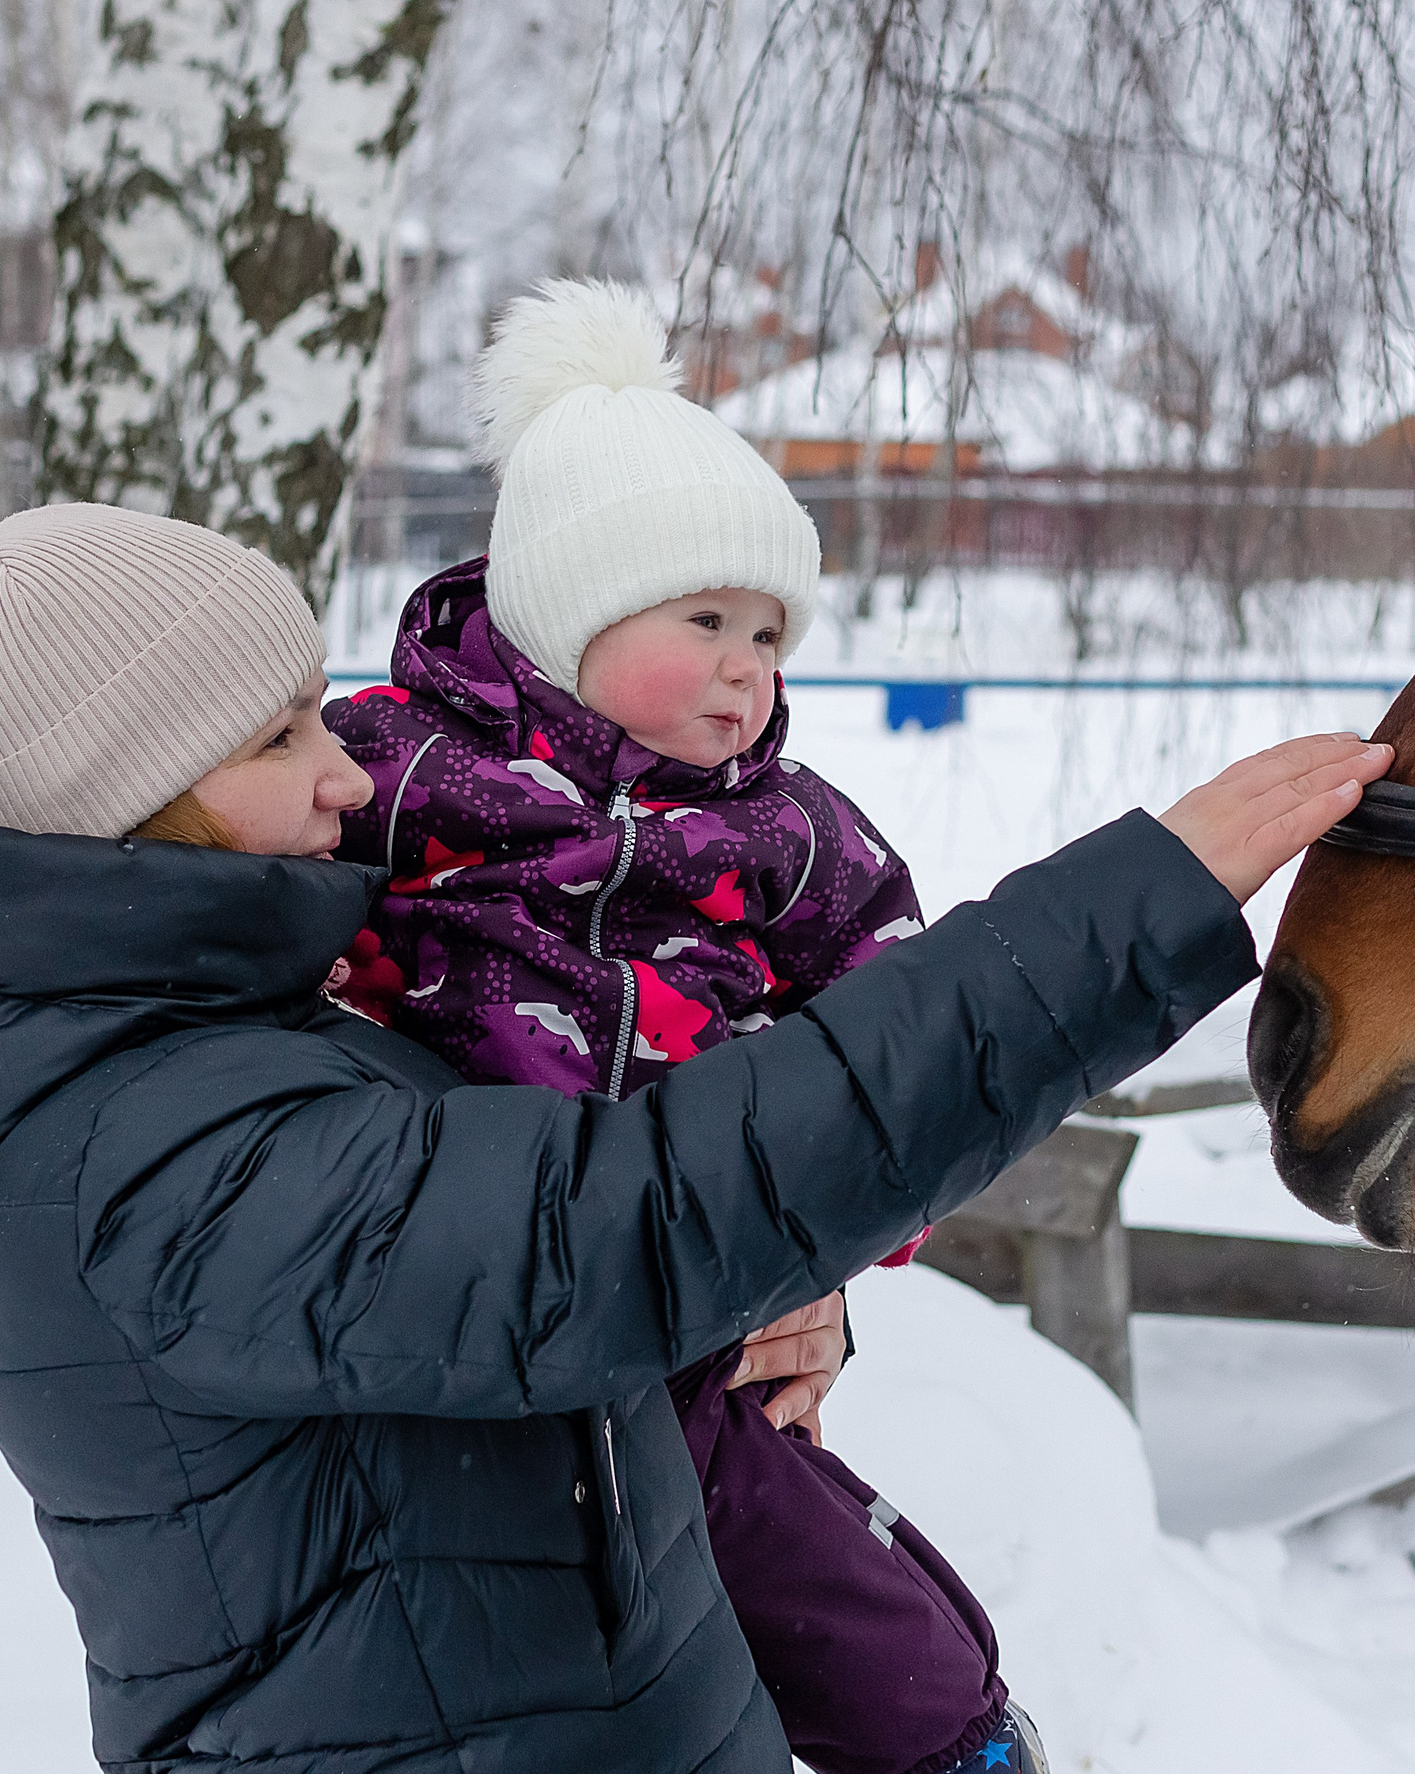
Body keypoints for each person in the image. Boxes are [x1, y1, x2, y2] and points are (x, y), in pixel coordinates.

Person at [0, 499, 1391, 1774]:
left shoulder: (205, 1034)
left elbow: (563, 1253)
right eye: (279, 741)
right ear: (134, 791)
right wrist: (1120, 919)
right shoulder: (143, 1141)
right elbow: (608, 1228)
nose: (348, 774)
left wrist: (775, 1281)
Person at [324, 279, 1019, 1774]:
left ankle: (968, 1744)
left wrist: (833, 1248)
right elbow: (270, 912)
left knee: (863, 1619)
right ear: (567, 611)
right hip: (461, 1293)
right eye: (705, 618)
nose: (745, 668)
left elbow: (904, 1037)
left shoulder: (788, 828)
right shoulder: (391, 769)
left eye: (769, 632)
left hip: (703, 1307)